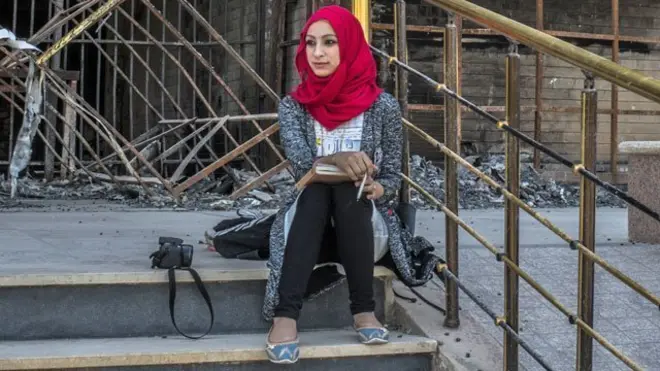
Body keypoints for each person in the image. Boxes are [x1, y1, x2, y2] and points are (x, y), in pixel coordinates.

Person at [262, 5, 440, 364]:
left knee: (348, 189)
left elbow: (392, 176)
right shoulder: (294, 106)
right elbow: (301, 167)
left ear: (350, 46)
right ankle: (288, 315)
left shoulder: (383, 107)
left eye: (329, 42)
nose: (318, 53)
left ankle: (361, 309)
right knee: (317, 189)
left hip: (362, 225)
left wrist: (378, 189)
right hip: (306, 226)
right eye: (310, 43)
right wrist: (335, 161)